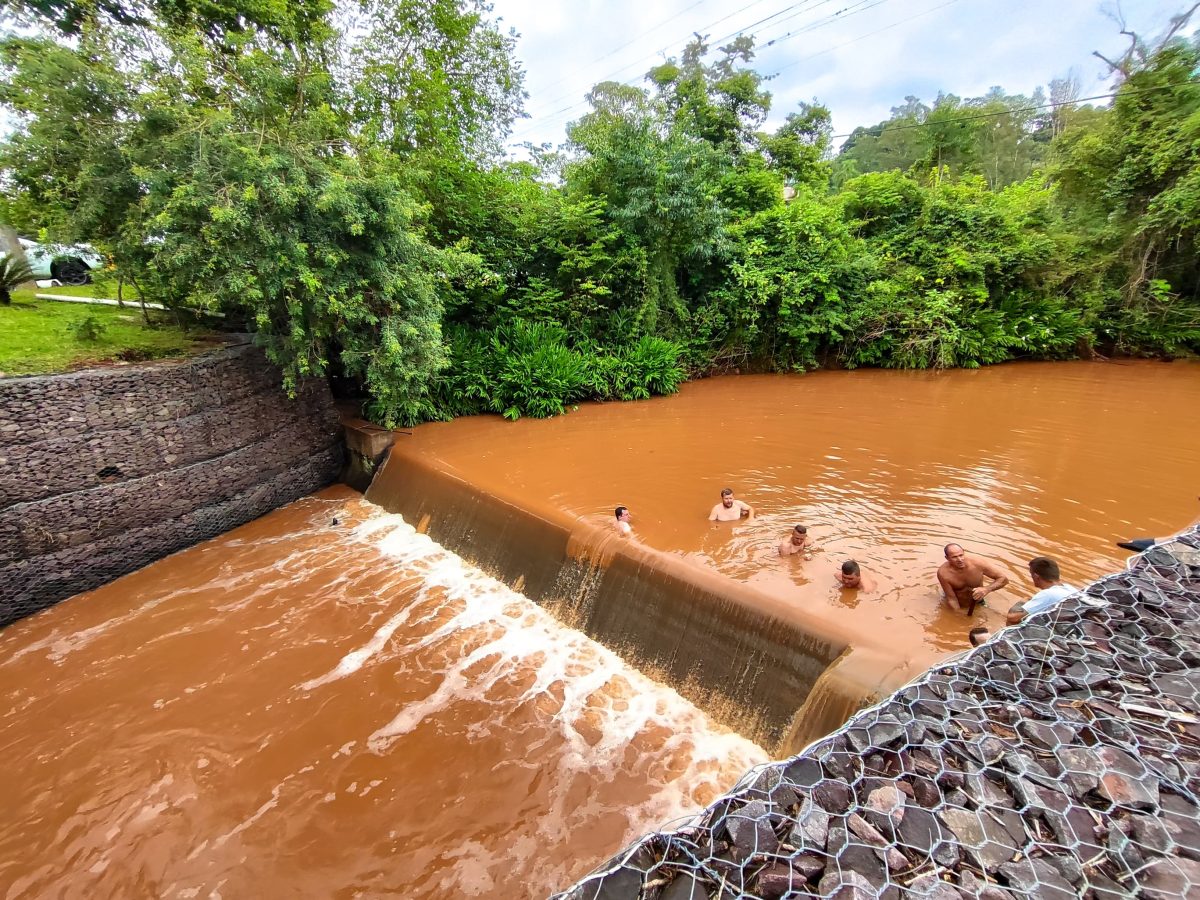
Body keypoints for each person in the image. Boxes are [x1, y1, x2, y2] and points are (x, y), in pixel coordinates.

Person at [937, 543, 1009, 614]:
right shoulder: (943, 573)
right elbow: (952, 599)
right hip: (959, 604)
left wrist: (987, 589)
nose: (959, 559)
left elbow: (1004, 579)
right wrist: (959, 614)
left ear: (964, 552)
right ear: (947, 558)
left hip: (978, 601)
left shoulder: (978, 564)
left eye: (961, 555)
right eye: (954, 557)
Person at [1006, 556, 1075, 624]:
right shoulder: (1070, 588)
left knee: (1012, 621)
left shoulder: (1048, 594)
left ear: (1036, 576)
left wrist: (1021, 602)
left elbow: (1013, 618)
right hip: (1070, 626)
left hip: (1056, 629)